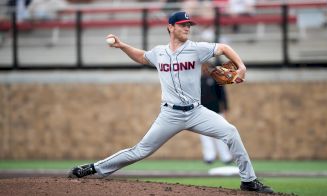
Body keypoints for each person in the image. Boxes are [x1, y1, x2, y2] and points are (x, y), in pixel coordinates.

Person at [68, 11, 274, 193]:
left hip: (196, 112)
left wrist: (241, 66)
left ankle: (249, 181)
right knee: (140, 150)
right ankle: (93, 168)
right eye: (183, 25)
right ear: (170, 28)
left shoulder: (197, 49)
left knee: (231, 132)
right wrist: (122, 45)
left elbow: (224, 47)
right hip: (170, 115)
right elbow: (142, 57)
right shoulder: (159, 52)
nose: (187, 28)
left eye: (188, 25)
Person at [200, 62, 233, 165]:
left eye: (206, 68)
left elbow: (222, 94)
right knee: (205, 136)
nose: (204, 70)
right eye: (203, 68)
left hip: (217, 111)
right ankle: (209, 156)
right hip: (202, 112)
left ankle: (226, 157)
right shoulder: (199, 80)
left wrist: (225, 107)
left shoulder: (216, 79)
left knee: (221, 134)